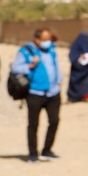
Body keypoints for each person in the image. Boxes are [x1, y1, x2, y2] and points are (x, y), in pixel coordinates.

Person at [14, 28, 65, 162]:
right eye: (44, 39)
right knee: (33, 125)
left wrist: (59, 80)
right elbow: (15, 68)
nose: (47, 42)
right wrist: (30, 65)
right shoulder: (26, 51)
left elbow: (55, 66)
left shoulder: (51, 50)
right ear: (36, 39)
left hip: (53, 93)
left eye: (49, 39)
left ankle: (47, 150)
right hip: (35, 93)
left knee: (54, 121)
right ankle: (33, 153)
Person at [66, 30, 88, 102]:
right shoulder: (75, 46)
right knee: (74, 83)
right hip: (77, 69)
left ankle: (86, 96)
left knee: (87, 83)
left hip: (87, 70)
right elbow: (72, 56)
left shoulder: (87, 45)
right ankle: (73, 97)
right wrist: (78, 58)